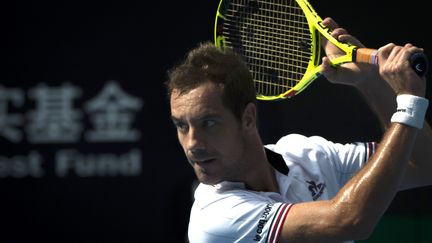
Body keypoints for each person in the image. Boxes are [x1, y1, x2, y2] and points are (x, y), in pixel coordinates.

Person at [165, 17, 432, 243]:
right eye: (181, 125)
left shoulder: (307, 154)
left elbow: (423, 165)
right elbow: (349, 220)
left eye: (208, 123)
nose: (192, 144)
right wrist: (407, 103)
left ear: (248, 119)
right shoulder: (214, 217)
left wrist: (370, 81)